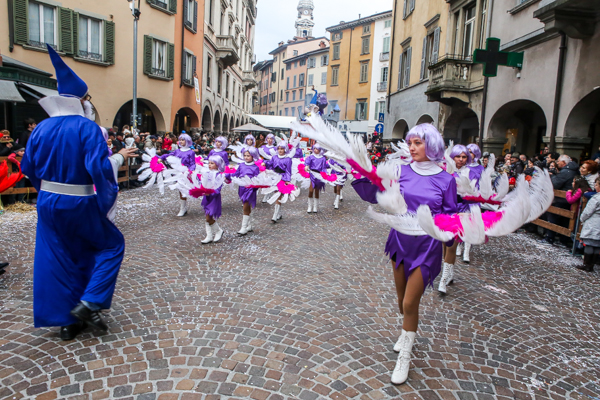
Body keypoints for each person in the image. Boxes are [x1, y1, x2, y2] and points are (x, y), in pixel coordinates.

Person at [21, 45, 137, 341]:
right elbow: (98, 170)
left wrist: (47, 192)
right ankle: (89, 302)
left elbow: (29, 168)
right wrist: (117, 166)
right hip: (79, 200)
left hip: (47, 201)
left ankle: (67, 321)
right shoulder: (86, 128)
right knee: (112, 245)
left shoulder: (40, 129)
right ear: (82, 101)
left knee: (58, 256)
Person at [352, 124, 457, 385]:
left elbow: (450, 214)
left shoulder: (446, 180)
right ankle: (405, 332)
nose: (411, 147)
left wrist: (449, 232)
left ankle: (406, 356)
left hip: (427, 247)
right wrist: (361, 170)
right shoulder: (401, 170)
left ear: (431, 144)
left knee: (411, 303)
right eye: (410, 142)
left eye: (418, 142)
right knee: (402, 303)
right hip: (399, 242)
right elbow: (378, 194)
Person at [543, 154, 579, 244]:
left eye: (558, 161)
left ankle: (550, 237)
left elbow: (555, 184)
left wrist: (552, 176)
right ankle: (564, 239)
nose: (557, 163)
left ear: (563, 162)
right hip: (567, 200)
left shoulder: (566, 172)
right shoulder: (573, 170)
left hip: (561, 199)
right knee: (565, 220)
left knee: (553, 218)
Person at [159, 134, 196, 217]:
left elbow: (192, 164)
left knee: (185, 189)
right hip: (178, 173)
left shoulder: (191, 152)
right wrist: (161, 158)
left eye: (183, 140)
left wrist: (190, 171)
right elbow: (169, 155)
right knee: (180, 189)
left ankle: (183, 207)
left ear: (187, 141)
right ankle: (183, 208)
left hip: (186, 173)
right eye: (180, 140)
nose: (181, 141)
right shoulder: (177, 151)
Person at [227, 147, 261, 235]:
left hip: (250, 190)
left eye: (248, 156)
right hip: (242, 189)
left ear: (253, 156)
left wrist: (254, 188)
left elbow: (258, 180)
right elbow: (236, 175)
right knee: (247, 206)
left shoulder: (255, 168)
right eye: (245, 155)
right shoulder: (241, 165)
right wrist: (227, 175)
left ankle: (244, 227)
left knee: (245, 207)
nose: (246, 157)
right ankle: (249, 225)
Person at [264, 143, 293, 222]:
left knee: (278, 195)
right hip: (274, 177)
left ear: (285, 149)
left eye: (282, 149)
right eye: (279, 148)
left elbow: (288, 171)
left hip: (282, 178)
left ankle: (275, 215)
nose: (280, 150)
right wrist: (264, 163)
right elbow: (270, 164)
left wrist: (287, 180)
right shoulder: (274, 157)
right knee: (276, 194)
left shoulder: (288, 159)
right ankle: (279, 214)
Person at [201, 156, 226, 244]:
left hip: (214, 198)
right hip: (207, 197)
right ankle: (209, 236)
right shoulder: (207, 173)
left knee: (208, 217)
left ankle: (218, 230)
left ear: (217, 165)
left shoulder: (219, 175)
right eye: (209, 163)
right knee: (207, 216)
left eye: (212, 163)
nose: (209, 165)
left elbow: (218, 189)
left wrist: (210, 193)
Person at [578, 177, 600, 272]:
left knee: (590, 244)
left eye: (596, 185)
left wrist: (582, 218)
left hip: (593, 222)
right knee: (596, 244)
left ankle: (587, 264)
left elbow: (588, 212)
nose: (595, 187)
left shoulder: (596, 198)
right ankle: (592, 264)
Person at [305, 144, 328, 213]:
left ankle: (315, 207)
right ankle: (309, 206)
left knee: (317, 191)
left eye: (317, 149)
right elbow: (307, 162)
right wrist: (306, 166)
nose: (315, 150)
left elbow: (324, 167)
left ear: (320, 150)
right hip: (312, 174)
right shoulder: (311, 157)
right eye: (314, 148)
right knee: (311, 190)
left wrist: (325, 174)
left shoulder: (323, 158)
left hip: (319, 175)